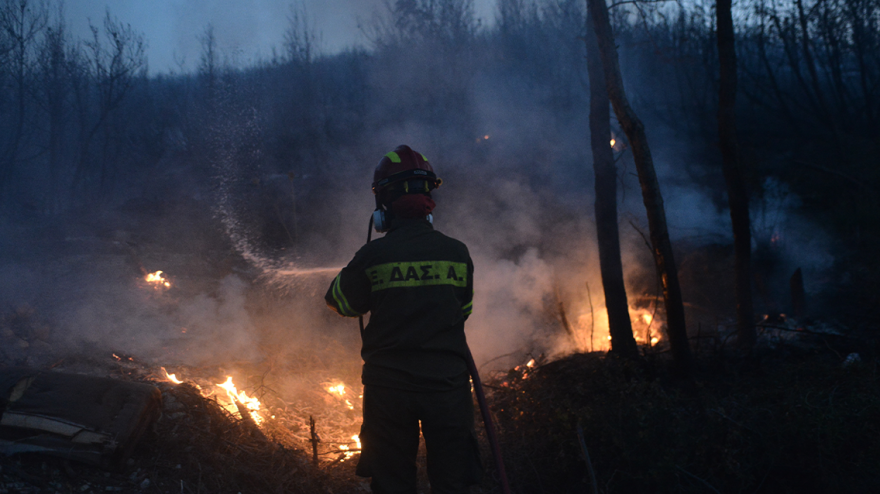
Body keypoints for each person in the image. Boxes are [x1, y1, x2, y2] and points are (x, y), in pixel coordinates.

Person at [325, 145, 482, 493]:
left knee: (392, 481)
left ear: (383, 204)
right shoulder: (457, 252)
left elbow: (339, 302)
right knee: (455, 481)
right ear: (429, 201)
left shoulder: (373, 255)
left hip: (388, 391)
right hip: (447, 388)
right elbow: (464, 311)